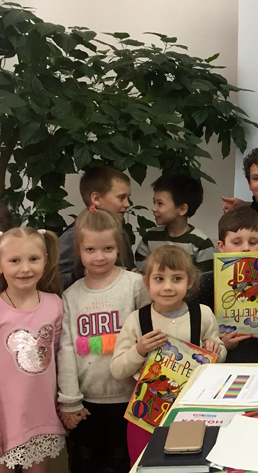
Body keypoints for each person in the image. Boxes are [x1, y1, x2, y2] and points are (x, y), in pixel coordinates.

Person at [110, 245, 225, 464]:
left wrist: (215, 349)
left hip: (193, 410)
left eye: (177, 279)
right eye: (159, 279)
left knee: (193, 461)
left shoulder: (202, 314)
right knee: (146, 464)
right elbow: (117, 369)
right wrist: (138, 350)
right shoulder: (137, 320)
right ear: (147, 283)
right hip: (146, 414)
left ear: (190, 282)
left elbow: (219, 354)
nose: (168, 287)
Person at [57, 208, 151, 473]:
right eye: (90, 250)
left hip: (131, 400)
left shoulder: (136, 285)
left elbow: (152, 334)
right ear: (78, 251)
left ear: (118, 247)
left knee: (124, 462)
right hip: (87, 404)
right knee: (86, 463)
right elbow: (66, 350)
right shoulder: (70, 296)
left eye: (108, 248)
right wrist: (70, 401)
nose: (99, 257)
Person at [0, 228, 64, 473]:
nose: (25, 268)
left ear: (45, 261)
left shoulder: (54, 305)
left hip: (41, 416)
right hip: (5, 417)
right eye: (15, 261)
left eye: (33, 259)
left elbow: (58, 356)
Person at [192, 206, 258, 363]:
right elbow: (196, 324)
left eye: (253, 242)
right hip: (223, 361)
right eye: (236, 242)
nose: (245, 248)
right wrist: (219, 343)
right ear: (221, 247)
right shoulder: (208, 282)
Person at [59, 166, 135, 288]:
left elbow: (129, 268)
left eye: (128, 198)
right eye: (121, 197)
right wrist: (81, 274)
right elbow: (54, 281)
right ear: (96, 198)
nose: (127, 204)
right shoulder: (73, 235)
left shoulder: (122, 233)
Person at [134, 174, 215, 273]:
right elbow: (142, 272)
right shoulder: (150, 237)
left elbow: (205, 280)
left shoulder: (201, 243)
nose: (153, 208)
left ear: (182, 209)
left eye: (160, 203)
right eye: (154, 202)